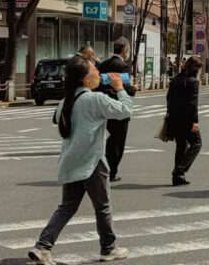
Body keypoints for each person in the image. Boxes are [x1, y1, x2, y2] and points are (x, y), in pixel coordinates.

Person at [26, 55, 133, 264]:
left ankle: (43, 247)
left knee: (67, 207)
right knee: (102, 207)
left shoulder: (68, 99)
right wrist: (120, 88)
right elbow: (125, 111)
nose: (99, 73)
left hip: (71, 160)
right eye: (95, 70)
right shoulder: (95, 100)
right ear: (85, 79)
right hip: (93, 161)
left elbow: (57, 118)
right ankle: (108, 248)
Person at [97, 37, 136, 182]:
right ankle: (111, 172)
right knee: (118, 141)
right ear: (125, 50)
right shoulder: (123, 66)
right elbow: (124, 88)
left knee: (110, 138)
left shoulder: (103, 64)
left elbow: (100, 84)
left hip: (103, 106)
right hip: (119, 106)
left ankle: (103, 167)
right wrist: (133, 89)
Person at [165, 55, 201, 186]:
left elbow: (168, 98)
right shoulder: (193, 82)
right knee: (197, 144)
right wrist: (195, 122)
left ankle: (178, 177)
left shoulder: (176, 79)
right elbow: (193, 104)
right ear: (195, 68)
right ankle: (179, 170)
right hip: (187, 119)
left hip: (174, 118)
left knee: (181, 145)